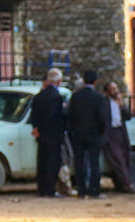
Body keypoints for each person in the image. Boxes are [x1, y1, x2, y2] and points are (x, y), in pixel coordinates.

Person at [67, 70, 109, 199]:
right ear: (95, 82)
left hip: (78, 134)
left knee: (79, 163)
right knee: (94, 162)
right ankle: (94, 189)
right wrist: (102, 131)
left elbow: (70, 116)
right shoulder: (98, 98)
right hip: (94, 134)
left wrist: (73, 131)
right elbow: (102, 117)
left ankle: (81, 189)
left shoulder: (76, 97)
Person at [28, 68, 66, 197]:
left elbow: (34, 115)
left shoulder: (39, 96)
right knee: (52, 162)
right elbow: (55, 117)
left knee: (42, 162)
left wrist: (37, 128)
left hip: (41, 134)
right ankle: (50, 189)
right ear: (59, 81)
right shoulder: (57, 97)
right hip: (53, 134)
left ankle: (42, 188)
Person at [103, 81, 134, 192]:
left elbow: (128, 117)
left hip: (120, 132)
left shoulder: (120, 102)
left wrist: (122, 106)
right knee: (118, 159)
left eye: (116, 88)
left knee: (125, 158)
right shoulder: (104, 102)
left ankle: (122, 185)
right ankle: (128, 184)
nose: (115, 91)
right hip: (110, 133)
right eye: (112, 89)